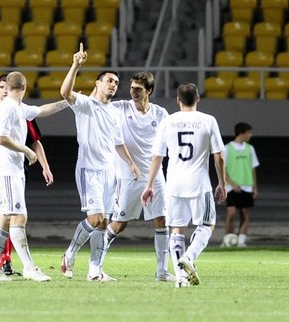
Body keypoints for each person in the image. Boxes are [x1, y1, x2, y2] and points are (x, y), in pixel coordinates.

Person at [60, 43, 141, 281]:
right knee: (95, 219)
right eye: (109, 81)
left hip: (110, 171)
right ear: (98, 83)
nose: (113, 85)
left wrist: (131, 163)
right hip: (89, 170)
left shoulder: (115, 111)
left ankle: (95, 271)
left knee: (104, 223)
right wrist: (75, 65)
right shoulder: (86, 104)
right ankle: (70, 253)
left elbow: (117, 142)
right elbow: (65, 92)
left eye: (116, 82)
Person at [0, 71, 68, 282]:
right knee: (19, 217)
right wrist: (26, 151)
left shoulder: (18, 106)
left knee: (4, 218)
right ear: (25, 86)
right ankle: (29, 267)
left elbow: (42, 110)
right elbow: (1, 138)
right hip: (8, 171)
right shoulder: (8, 108)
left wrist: (68, 102)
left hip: (11, 171)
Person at [141, 83, 227, 288]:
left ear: (178, 100)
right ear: (198, 99)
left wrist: (149, 185)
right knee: (207, 224)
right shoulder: (208, 120)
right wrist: (222, 183)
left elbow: (156, 157)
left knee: (177, 230)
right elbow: (219, 158)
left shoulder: (168, 121)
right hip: (199, 183)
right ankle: (190, 256)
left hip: (173, 183)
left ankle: (181, 278)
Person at [97, 71, 175, 282]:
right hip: (128, 176)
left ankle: (161, 272)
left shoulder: (160, 114)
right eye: (132, 88)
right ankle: (96, 265)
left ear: (149, 90)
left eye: (138, 89)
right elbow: (98, 104)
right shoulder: (120, 108)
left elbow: (169, 141)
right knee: (119, 223)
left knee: (161, 220)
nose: (133, 92)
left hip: (155, 176)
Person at [223, 122, 259, 247]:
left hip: (247, 186)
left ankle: (241, 242)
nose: (250, 135)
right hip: (231, 187)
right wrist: (232, 184)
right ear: (241, 133)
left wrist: (254, 187)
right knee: (231, 213)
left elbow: (253, 169)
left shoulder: (250, 148)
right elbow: (223, 169)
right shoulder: (227, 148)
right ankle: (227, 240)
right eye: (248, 132)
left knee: (245, 213)